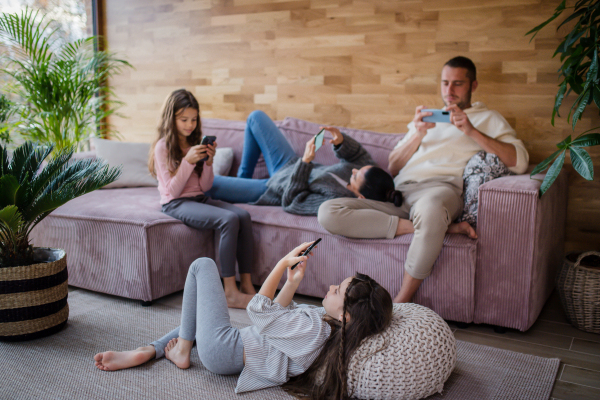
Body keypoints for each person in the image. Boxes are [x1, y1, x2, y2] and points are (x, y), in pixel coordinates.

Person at [318, 56, 529, 303]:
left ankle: (401, 302)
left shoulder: (488, 119)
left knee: (430, 209)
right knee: (328, 211)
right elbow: (393, 166)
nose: (449, 91)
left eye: (457, 84)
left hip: (440, 191)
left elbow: (520, 161)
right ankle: (440, 228)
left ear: (473, 86)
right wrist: (416, 134)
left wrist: (471, 131)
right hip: (399, 194)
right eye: (444, 83)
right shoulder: (429, 118)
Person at [93, 243, 394, 400]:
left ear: (346, 315)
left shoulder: (316, 330)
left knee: (202, 265)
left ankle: (182, 351)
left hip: (227, 350)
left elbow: (258, 310)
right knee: (198, 314)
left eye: (337, 290)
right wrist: (291, 283)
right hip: (236, 347)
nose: (330, 287)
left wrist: (278, 266)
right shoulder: (324, 329)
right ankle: (151, 350)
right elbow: (275, 319)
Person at [148, 89, 255, 309]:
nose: (190, 125)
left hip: (199, 199)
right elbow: (172, 191)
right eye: (184, 119)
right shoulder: (163, 147)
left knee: (243, 216)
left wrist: (207, 163)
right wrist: (187, 161)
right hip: (175, 203)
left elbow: (205, 187)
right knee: (228, 219)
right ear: (172, 118)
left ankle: (247, 285)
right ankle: (229, 292)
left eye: (194, 119)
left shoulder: (195, 142)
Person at [205, 110, 404, 215]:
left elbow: (292, 202)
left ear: (360, 197)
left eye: (356, 175)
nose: (354, 170)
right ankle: (242, 179)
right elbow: (359, 156)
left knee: (207, 183)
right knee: (255, 117)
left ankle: (241, 189)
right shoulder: (366, 172)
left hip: (274, 188)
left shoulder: (335, 201)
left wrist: (306, 161)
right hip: (288, 164)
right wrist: (341, 140)